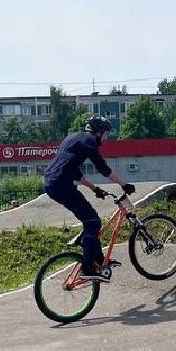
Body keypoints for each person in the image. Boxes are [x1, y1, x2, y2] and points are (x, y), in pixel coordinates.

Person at [43, 116, 135, 277]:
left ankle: (98, 259)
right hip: (62, 185)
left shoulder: (72, 138)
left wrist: (94, 188)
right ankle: (87, 268)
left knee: (90, 221)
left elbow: (73, 171)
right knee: (93, 222)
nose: (106, 139)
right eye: (106, 134)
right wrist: (123, 184)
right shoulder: (89, 141)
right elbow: (103, 168)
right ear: (98, 132)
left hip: (52, 183)